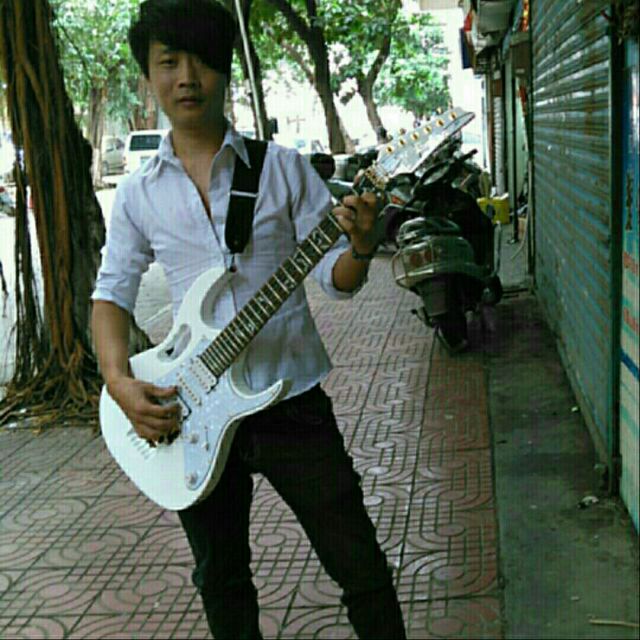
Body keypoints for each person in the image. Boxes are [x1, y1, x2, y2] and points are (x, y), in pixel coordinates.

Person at [91, 1, 406, 638]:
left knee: (361, 566)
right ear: (148, 76)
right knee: (223, 582)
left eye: (202, 61)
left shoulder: (283, 168)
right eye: (168, 62)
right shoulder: (139, 194)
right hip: (191, 411)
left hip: (292, 401)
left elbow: (336, 278)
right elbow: (112, 296)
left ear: (226, 69)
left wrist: (362, 244)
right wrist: (119, 383)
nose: (187, 78)